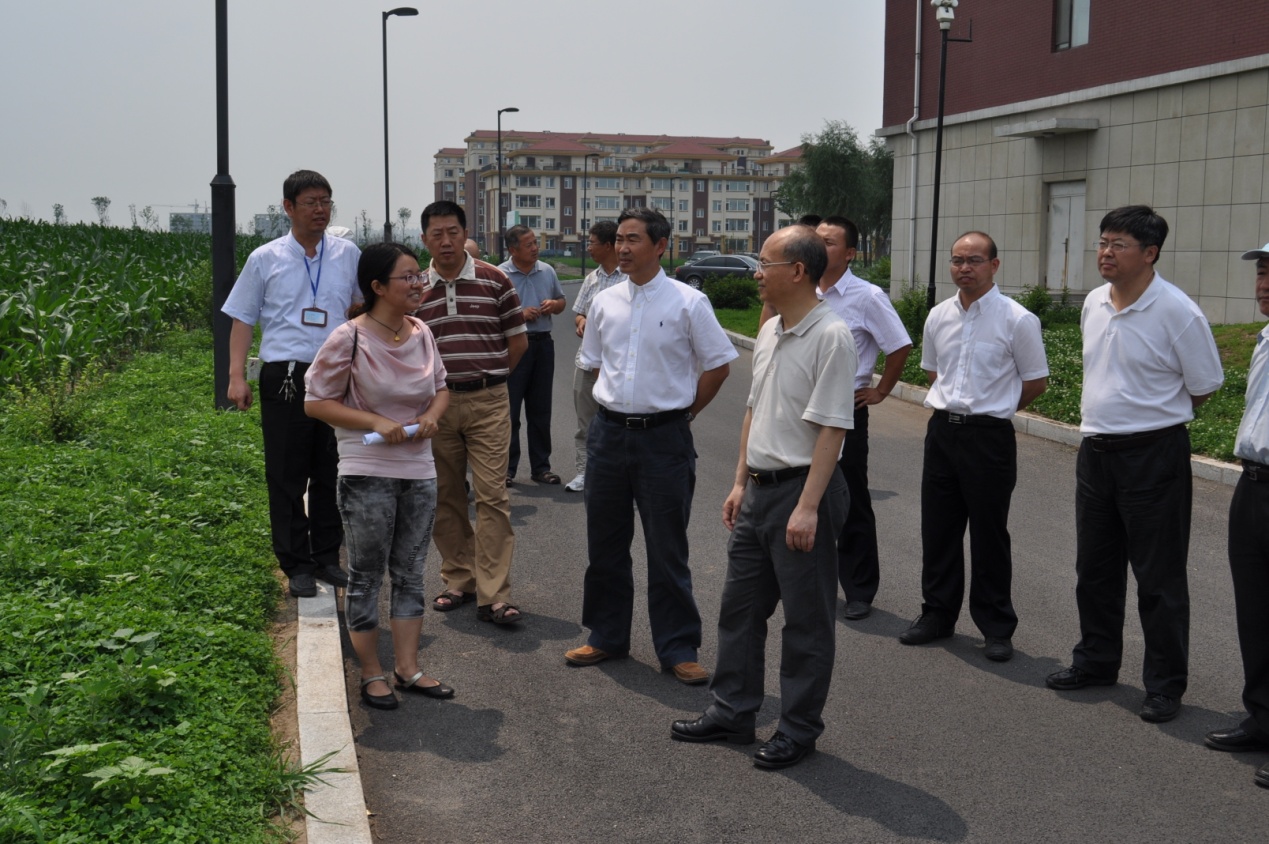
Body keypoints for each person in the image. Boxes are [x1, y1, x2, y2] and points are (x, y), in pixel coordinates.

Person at [671, 225, 854, 770]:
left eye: (765, 264)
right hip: (760, 490)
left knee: (806, 621)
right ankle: (732, 711)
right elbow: (754, 409)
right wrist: (739, 481)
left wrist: (809, 507)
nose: (756, 273)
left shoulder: (831, 335)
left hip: (803, 491)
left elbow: (833, 429)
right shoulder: (772, 327)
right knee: (740, 609)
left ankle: (798, 728)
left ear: (797, 271)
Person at [1047, 206, 1223, 723]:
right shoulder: (1095, 302)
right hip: (1095, 454)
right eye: (1103, 242)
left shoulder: (1178, 311)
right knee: (1094, 569)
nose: (1106, 252)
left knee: (1158, 577)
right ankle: (1096, 661)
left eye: (1118, 244)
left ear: (1150, 253)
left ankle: (1164, 685)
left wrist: (1153, 419)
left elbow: (1204, 386)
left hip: (1153, 457)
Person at [564, 207, 737, 683]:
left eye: (633, 239)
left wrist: (683, 415)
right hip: (608, 436)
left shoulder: (689, 303)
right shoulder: (604, 302)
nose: (622, 248)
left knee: (667, 549)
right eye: (619, 239)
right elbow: (594, 364)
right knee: (605, 544)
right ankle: (606, 635)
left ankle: (678, 647)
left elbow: (718, 365)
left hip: (665, 439)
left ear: (661, 246)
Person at [304, 242, 454, 710]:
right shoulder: (348, 337)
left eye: (419, 276)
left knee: (410, 572)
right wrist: (374, 421)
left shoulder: (422, 332)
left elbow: (441, 388)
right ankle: (371, 672)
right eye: (407, 277)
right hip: (366, 470)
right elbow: (315, 402)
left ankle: (408, 669)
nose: (418, 284)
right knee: (367, 575)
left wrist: (431, 416)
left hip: (419, 468)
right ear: (377, 287)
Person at [899, 232, 1048, 663]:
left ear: (994, 265)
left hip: (989, 438)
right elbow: (935, 374)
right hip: (942, 433)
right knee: (938, 529)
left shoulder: (1017, 319)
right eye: (957, 260)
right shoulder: (938, 316)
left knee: (989, 534)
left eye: (975, 260)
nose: (964, 268)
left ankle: (996, 627)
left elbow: (1035, 382)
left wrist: (994, 408)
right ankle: (937, 615)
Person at [222, 170, 359, 598]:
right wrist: (236, 376)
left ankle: (326, 557)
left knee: (332, 469)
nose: (320, 210)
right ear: (288, 207)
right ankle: (296, 563)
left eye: (326, 201)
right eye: (311, 202)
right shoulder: (265, 258)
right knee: (286, 473)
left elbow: (361, 307)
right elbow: (243, 318)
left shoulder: (348, 254)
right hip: (285, 375)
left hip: (336, 373)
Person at [413, 200, 529, 625]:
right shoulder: (414, 288)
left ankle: (494, 593)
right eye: (437, 234)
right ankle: (459, 578)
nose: (446, 241)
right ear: (425, 239)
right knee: (446, 494)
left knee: (492, 495)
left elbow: (517, 342)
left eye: (453, 232)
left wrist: (489, 379)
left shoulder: (495, 280)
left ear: (465, 235)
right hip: (437, 405)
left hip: (488, 401)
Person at [815, 216, 912, 620]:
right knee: (803, 497)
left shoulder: (867, 296)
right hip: (802, 410)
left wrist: (881, 390)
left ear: (851, 253)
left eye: (830, 242)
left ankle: (858, 590)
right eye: (816, 240)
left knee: (850, 499)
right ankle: (812, 584)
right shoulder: (802, 289)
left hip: (845, 410)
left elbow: (899, 345)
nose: (820, 247)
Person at [1203, 242, 1269, 787]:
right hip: (1254, 485)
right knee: (1256, 611)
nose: (1264, 284)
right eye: (1263, 273)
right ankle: (1263, 717)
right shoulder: (1266, 338)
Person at [500, 226, 566, 485]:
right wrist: (520, 315)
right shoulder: (501, 275)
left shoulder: (547, 271)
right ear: (513, 250)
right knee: (510, 410)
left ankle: (541, 467)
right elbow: (492, 314)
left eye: (535, 243)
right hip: (514, 345)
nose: (535, 248)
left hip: (542, 345)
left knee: (540, 409)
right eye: (528, 244)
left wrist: (554, 305)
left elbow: (561, 302)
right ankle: (507, 469)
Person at [565, 221, 626, 493]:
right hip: (586, 363)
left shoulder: (629, 280)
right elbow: (579, 312)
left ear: (608, 245)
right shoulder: (592, 278)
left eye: (591, 243)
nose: (588, 248)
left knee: (619, 423)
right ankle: (584, 473)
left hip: (618, 366)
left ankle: (619, 477)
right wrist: (581, 322)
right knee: (585, 424)